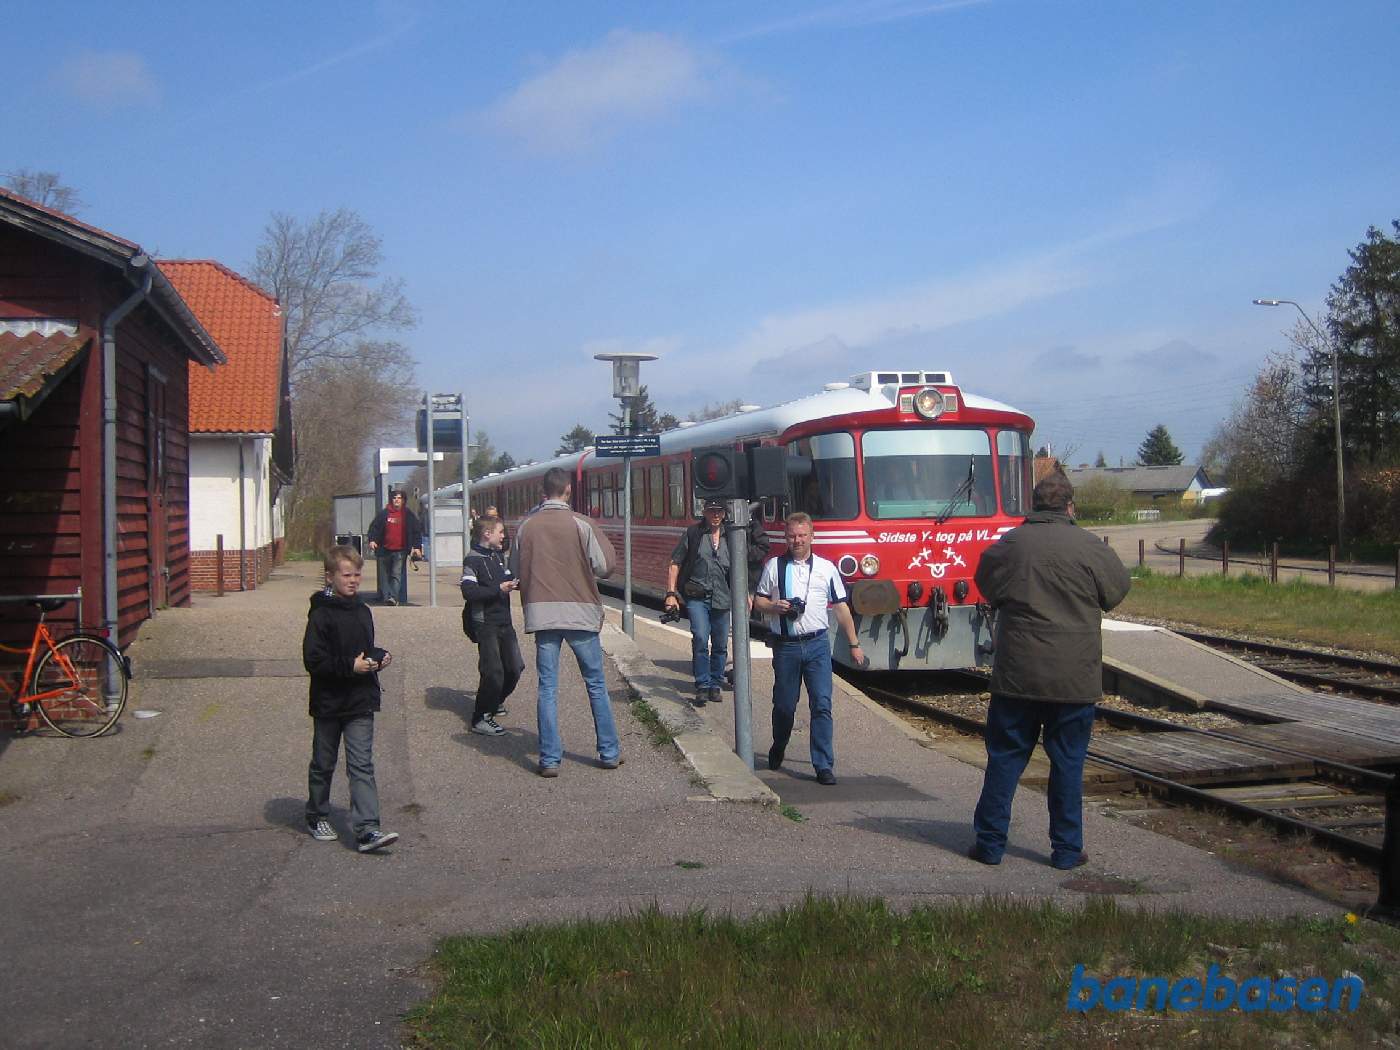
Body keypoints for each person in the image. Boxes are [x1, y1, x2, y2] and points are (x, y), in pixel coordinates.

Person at [968, 471, 1131, 870]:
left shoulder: (1011, 545)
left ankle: (990, 845)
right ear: (1070, 507)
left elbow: (986, 584)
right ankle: (1067, 850)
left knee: (1005, 758)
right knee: (1068, 763)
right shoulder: (1091, 547)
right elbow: (1116, 591)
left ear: (1034, 505)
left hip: (1018, 675)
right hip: (1074, 678)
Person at [509, 467, 621, 777]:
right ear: (568, 490)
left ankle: (549, 759)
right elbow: (605, 567)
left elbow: (514, 569)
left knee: (547, 687)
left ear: (543, 492)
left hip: (542, 615)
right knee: (595, 684)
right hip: (580, 614)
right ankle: (609, 752)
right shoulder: (582, 524)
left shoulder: (526, 526)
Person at [753, 512, 864, 786]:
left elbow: (841, 608)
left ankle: (823, 765)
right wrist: (774, 607)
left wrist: (854, 644)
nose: (797, 541)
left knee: (822, 704)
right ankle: (779, 744)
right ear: (786, 538)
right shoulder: (774, 567)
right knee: (784, 706)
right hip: (787, 647)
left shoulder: (826, 568)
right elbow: (758, 601)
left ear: (812, 536)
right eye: (792, 536)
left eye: (802, 535)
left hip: (817, 645)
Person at [302, 545, 398, 853]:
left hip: (360, 699)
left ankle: (367, 829)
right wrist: (349, 666)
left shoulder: (362, 611)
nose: (353, 580)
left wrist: (378, 657)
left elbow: (364, 649)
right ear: (330, 577)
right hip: (329, 702)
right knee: (323, 762)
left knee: (361, 765)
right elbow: (314, 660)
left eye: (357, 575)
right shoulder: (320, 614)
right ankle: (317, 814)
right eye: (346, 575)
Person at [665, 498, 733, 707]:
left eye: (719, 511)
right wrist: (670, 594)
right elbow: (675, 563)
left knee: (720, 643)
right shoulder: (693, 534)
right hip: (697, 596)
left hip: (723, 597)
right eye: (711, 511)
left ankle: (716, 683)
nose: (716, 515)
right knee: (701, 637)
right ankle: (702, 684)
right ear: (704, 512)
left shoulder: (732, 536)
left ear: (724, 513)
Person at [460, 515, 524, 737]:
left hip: (504, 622)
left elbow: (507, 576)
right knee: (493, 672)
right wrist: (499, 589)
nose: (504, 536)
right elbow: (469, 592)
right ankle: (480, 718)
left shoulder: (497, 556)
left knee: (515, 668)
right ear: (487, 534)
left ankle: (495, 701)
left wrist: (515, 583)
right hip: (485, 624)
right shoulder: (472, 560)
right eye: (500, 532)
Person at [366, 490, 423, 606]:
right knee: (384, 576)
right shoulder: (384, 514)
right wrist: (372, 540)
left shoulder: (408, 515)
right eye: (394, 498)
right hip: (384, 550)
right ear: (391, 500)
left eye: (399, 498)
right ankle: (386, 596)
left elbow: (416, 531)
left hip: (400, 550)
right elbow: (374, 528)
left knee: (396, 574)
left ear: (403, 500)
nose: (397, 500)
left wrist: (417, 547)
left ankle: (393, 597)